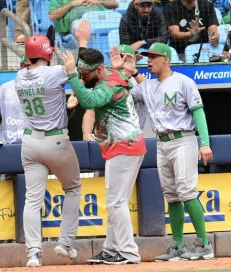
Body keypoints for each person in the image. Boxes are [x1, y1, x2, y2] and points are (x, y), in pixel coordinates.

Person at [62, 19, 147, 264]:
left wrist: (72, 78)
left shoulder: (108, 82)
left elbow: (89, 102)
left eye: (84, 74)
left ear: (97, 71)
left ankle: (128, 252)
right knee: (115, 202)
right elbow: (93, 75)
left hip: (125, 146)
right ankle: (111, 249)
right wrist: (82, 44)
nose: (81, 77)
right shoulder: (109, 72)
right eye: (79, 73)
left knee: (116, 202)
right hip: (122, 146)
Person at [120, 42, 214, 261]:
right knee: (171, 196)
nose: (149, 61)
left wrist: (205, 142)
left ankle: (204, 245)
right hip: (161, 142)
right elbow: (123, 92)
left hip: (183, 139)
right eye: (147, 57)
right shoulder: (147, 86)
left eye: (153, 57)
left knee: (186, 191)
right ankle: (178, 246)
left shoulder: (183, 81)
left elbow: (198, 112)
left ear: (166, 59)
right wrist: (126, 71)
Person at [17, 31, 82, 267]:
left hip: (29, 143)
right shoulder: (54, 73)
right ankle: (65, 243)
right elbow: (80, 72)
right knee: (73, 188)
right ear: (48, 52)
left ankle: (33, 253)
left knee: (32, 199)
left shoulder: (18, 77)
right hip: (55, 142)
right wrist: (81, 44)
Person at [49, 0, 118, 35]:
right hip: (78, 21)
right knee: (81, 28)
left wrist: (98, 2)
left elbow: (115, 4)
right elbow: (52, 16)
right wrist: (71, 5)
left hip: (101, 19)